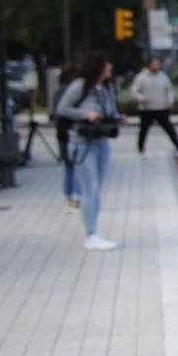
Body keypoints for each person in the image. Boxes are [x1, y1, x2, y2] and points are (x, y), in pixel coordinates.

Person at [55, 54, 122, 252]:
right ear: (98, 68)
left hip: (101, 141)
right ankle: (91, 234)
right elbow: (62, 109)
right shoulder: (79, 86)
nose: (110, 69)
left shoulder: (104, 88)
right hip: (83, 143)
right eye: (106, 66)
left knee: (96, 188)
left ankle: (94, 231)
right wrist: (86, 115)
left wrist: (116, 118)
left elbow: (108, 110)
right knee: (90, 188)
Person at [129, 57, 178, 156]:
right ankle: (141, 150)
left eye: (158, 64)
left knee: (169, 129)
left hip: (162, 108)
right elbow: (134, 91)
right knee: (143, 130)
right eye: (154, 64)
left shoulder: (163, 76)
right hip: (146, 109)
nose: (156, 67)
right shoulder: (141, 77)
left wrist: (170, 101)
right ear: (149, 65)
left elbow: (169, 90)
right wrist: (142, 98)